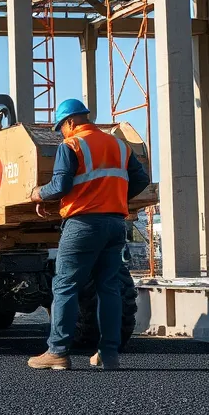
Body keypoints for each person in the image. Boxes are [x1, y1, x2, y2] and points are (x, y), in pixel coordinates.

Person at [26, 98, 150, 372]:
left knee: (66, 285)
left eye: (61, 127)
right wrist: (114, 197)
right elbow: (140, 180)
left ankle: (58, 352)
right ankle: (109, 354)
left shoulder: (70, 145)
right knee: (109, 288)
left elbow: (60, 185)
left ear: (70, 122)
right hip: (115, 224)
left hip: (83, 224)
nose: (61, 132)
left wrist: (38, 193)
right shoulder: (119, 145)